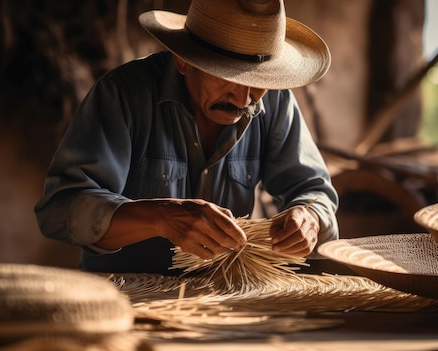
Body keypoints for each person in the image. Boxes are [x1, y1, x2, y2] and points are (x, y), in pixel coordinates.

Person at [34, 0, 339, 275]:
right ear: (183, 60)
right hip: (126, 297)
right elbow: (61, 208)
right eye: (229, 75)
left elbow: (313, 191)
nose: (245, 96)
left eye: (260, 81)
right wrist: (161, 217)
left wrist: (309, 218)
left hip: (228, 301)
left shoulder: (274, 102)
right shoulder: (124, 96)